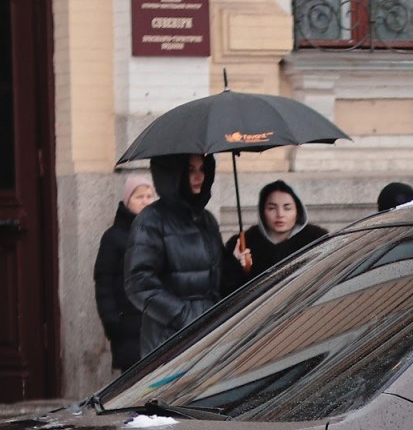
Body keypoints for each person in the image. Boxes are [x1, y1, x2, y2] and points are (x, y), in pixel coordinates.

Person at [127, 152, 224, 356]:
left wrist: (237, 263)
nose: (200, 177)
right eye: (190, 170)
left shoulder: (206, 220)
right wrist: (185, 317)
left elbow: (215, 279)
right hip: (169, 340)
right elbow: (139, 283)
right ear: (173, 174)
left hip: (209, 334)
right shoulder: (151, 221)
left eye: (202, 169)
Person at [95, 170, 155, 373]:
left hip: (157, 326)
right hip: (128, 327)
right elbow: (104, 283)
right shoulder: (114, 237)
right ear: (127, 201)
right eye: (139, 197)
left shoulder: (159, 232)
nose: (145, 201)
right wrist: (113, 323)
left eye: (149, 196)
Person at [224, 179, 327, 292]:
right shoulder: (244, 244)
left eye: (287, 208)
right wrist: (235, 265)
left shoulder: (317, 240)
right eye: (272, 208)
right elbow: (227, 291)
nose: (280, 214)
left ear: (298, 211)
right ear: (262, 211)